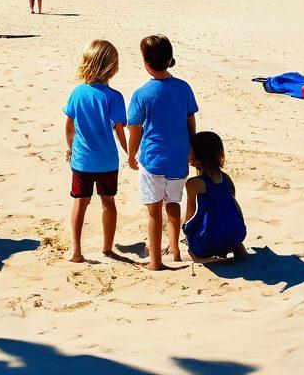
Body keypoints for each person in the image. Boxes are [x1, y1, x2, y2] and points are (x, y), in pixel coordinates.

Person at [126, 35, 199, 271]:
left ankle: (155, 261)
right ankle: (175, 249)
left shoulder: (142, 94)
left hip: (153, 159)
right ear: (170, 60)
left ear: (145, 63)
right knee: (173, 203)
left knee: (153, 210)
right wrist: (191, 148)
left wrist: (130, 153)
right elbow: (190, 120)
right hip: (178, 158)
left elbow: (135, 129)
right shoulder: (183, 87)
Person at [64, 40, 127, 263]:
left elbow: (69, 127)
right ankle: (107, 248)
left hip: (82, 161)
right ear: (112, 67)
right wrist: (129, 153)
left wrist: (70, 149)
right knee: (108, 202)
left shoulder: (77, 93)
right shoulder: (115, 97)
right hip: (108, 161)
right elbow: (120, 130)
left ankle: (76, 251)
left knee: (81, 202)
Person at [182, 131, 247, 264]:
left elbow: (190, 214)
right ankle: (238, 248)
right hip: (235, 235)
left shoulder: (193, 183)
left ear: (197, 155)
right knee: (225, 222)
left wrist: (184, 231)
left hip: (208, 241)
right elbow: (230, 205)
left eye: (190, 151)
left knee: (188, 229)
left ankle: (200, 258)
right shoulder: (226, 178)